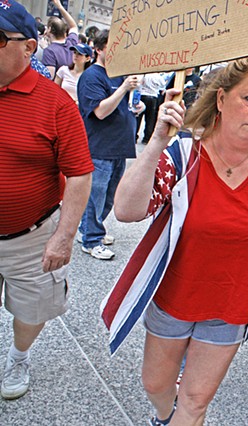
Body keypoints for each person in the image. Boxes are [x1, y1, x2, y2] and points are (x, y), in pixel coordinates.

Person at [111, 55, 248, 425]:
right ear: (220, 99)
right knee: (155, 385)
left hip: (232, 305)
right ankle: (166, 417)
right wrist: (156, 143)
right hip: (174, 298)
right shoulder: (184, 154)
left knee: (196, 400)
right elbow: (126, 210)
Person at [0, 0, 93, 400]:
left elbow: (80, 173)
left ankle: (19, 356)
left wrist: (64, 237)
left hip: (32, 236)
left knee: (31, 310)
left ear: (29, 47)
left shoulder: (55, 104)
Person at [76, 29, 144, 260]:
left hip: (117, 147)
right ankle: (91, 239)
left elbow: (119, 107)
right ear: (99, 49)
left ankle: (90, 230)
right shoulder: (92, 76)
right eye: (112, 48)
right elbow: (101, 111)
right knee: (96, 196)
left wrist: (135, 107)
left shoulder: (117, 75)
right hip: (100, 148)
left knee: (107, 196)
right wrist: (124, 88)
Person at [42, 0, 78, 78]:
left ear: (49, 29)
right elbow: (73, 26)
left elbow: (49, 77)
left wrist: (45, 49)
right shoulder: (72, 42)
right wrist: (60, 7)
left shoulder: (49, 51)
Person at [136, 72, 167, 144]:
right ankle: (147, 138)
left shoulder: (145, 75)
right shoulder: (158, 77)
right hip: (153, 97)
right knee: (150, 119)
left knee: (138, 117)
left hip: (142, 96)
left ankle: (134, 136)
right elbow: (163, 85)